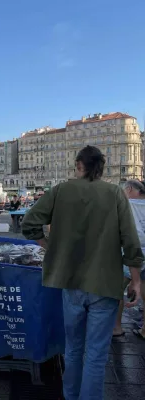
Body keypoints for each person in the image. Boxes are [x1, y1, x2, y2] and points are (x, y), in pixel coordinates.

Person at [21, 145, 144, 400]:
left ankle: (70, 396)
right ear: (101, 167)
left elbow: (29, 223)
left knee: (73, 349)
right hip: (105, 283)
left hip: (71, 280)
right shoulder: (115, 194)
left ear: (79, 165)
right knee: (97, 354)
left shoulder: (61, 190)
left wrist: (48, 244)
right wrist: (135, 280)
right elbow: (130, 240)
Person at [113, 180, 145, 339]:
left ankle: (117, 327)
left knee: (118, 290)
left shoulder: (127, 206)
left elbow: (130, 234)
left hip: (131, 253)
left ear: (129, 189)